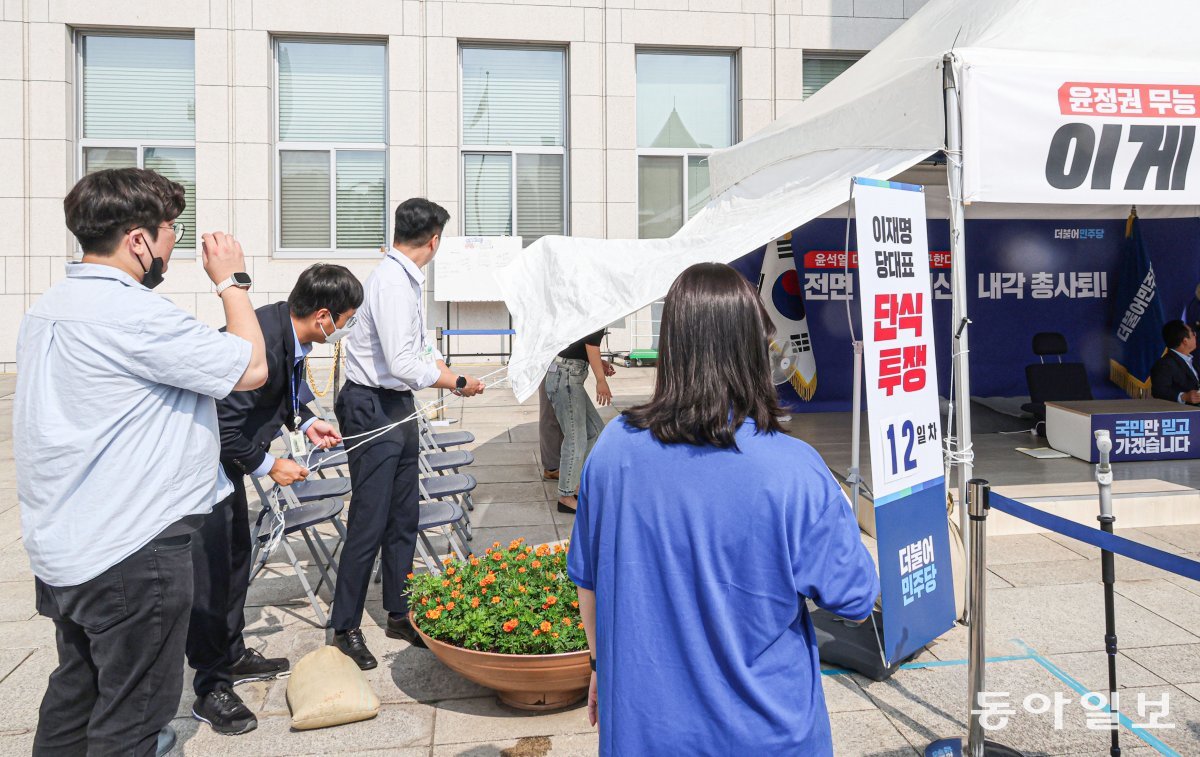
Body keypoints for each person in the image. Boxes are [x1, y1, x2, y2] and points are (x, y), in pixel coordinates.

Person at [568, 263, 879, 755]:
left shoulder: (612, 450)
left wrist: (599, 668)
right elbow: (856, 600)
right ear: (755, 350)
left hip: (643, 731)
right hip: (767, 733)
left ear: (672, 350)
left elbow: (588, 579)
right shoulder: (795, 469)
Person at [16, 168, 268, 756]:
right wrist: (232, 281)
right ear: (138, 241)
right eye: (169, 232)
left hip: (66, 542)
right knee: (132, 719)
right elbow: (250, 367)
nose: (173, 245)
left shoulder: (50, 306)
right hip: (132, 551)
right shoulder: (133, 313)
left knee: (75, 695)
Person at [188, 263, 363, 734]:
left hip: (227, 470)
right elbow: (225, 425)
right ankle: (210, 688)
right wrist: (271, 465)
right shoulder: (261, 338)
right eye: (344, 319)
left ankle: (231, 652)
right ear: (324, 315)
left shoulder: (286, 328)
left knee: (236, 560)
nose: (344, 328)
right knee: (209, 580)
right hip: (204, 470)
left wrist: (307, 421)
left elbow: (289, 385)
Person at [331, 198, 485, 669]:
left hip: (396, 403)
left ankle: (399, 611)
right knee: (370, 519)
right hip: (370, 405)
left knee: (403, 516)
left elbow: (419, 347)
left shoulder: (405, 279)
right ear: (434, 239)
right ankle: (345, 627)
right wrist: (454, 381)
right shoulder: (393, 283)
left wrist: (446, 371)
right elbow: (401, 364)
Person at [545, 329, 615, 514]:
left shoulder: (591, 309)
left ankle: (575, 484)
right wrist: (601, 380)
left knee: (595, 430)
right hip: (565, 376)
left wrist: (600, 363)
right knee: (576, 438)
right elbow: (591, 345)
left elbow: (579, 344)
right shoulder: (597, 310)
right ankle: (566, 496)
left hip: (569, 374)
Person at [1150, 320, 1200, 405]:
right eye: (1192, 334)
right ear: (1185, 341)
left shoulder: (1191, 361)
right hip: (1186, 415)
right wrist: (1183, 396)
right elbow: (1158, 391)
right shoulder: (1165, 364)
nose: (1195, 336)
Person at [539, 378, 564, 481]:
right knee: (550, 415)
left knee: (555, 416)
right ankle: (552, 468)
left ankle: (554, 466)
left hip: (562, 367)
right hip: (552, 367)